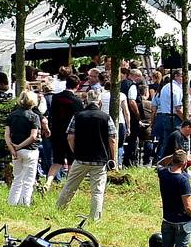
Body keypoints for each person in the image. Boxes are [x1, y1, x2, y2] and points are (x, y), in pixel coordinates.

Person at [57, 89, 114, 222]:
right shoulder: (106, 117)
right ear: (99, 102)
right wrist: (112, 158)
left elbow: (70, 136)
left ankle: (59, 209)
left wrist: (75, 151)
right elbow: (112, 139)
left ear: (86, 101)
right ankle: (95, 217)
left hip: (81, 158)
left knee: (70, 186)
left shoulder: (78, 116)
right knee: (98, 191)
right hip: (100, 159)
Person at [156, 149, 191, 247]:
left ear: (172, 160)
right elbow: (188, 206)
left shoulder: (163, 174)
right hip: (182, 222)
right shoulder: (183, 180)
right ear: (184, 163)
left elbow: (159, 164)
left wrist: (171, 156)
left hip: (167, 220)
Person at [6, 89, 43, 206]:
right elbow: (33, 136)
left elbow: (7, 135)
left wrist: (12, 148)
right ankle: (24, 203)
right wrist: (20, 146)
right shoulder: (34, 116)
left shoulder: (12, 115)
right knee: (28, 179)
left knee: (17, 178)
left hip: (15, 151)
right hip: (30, 150)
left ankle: (12, 202)